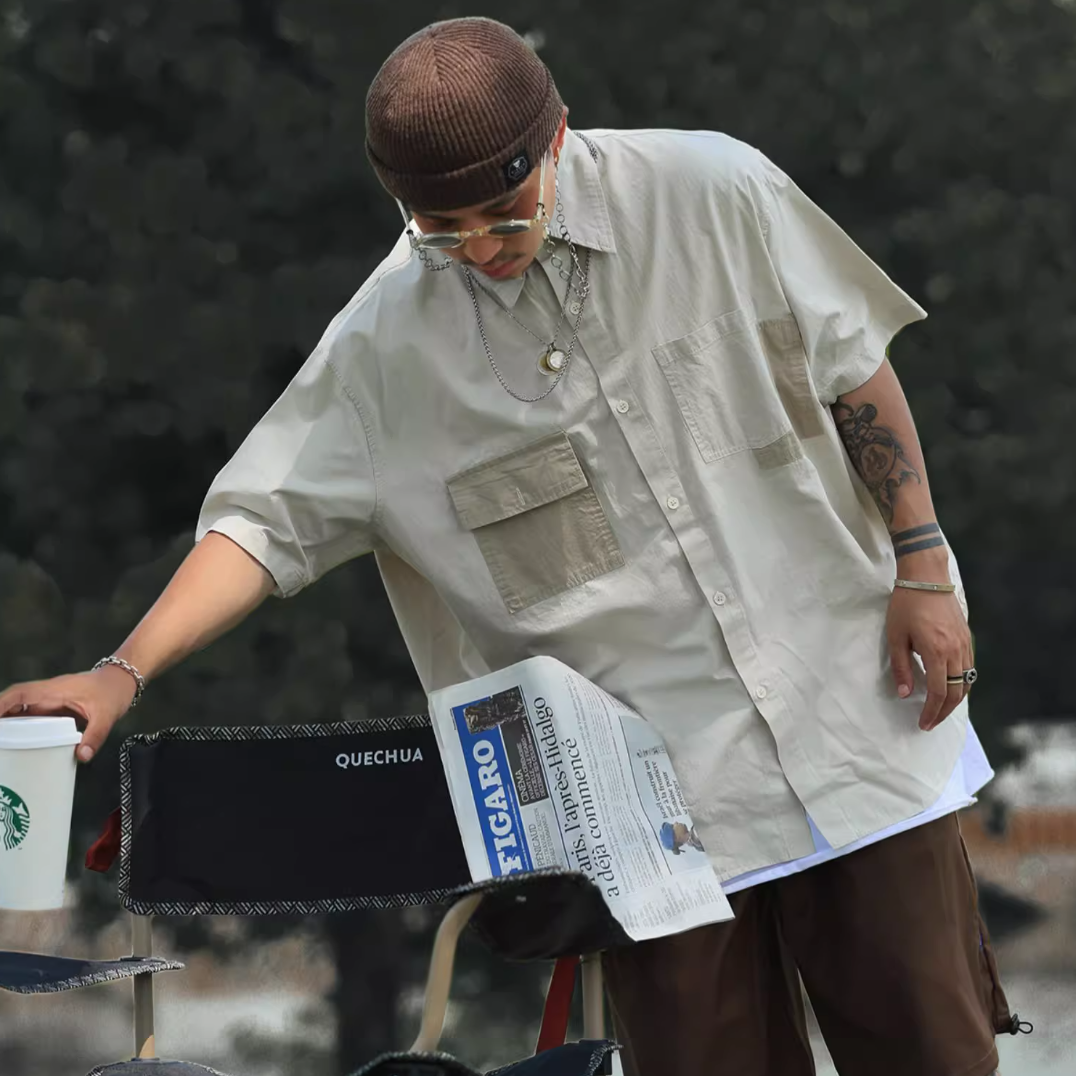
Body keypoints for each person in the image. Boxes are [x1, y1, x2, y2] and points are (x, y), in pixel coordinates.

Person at [0, 17, 1014, 1076]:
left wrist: (923, 565)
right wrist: (120, 670)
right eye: (441, 227)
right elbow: (262, 523)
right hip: (651, 820)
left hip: (853, 720)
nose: (481, 246)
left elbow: (851, 368)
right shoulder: (385, 342)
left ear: (556, 135)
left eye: (505, 210)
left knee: (934, 1057)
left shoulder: (714, 192)